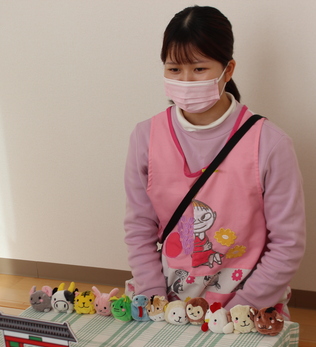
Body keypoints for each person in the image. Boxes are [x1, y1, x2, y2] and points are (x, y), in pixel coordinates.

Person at [124, 6, 305, 319]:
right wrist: (154, 297)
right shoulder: (145, 137)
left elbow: (287, 243)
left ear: (228, 69)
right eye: (174, 69)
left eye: (199, 69)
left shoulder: (270, 143)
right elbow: (139, 228)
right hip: (167, 306)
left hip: (247, 308)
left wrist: (239, 310)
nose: (186, 80)